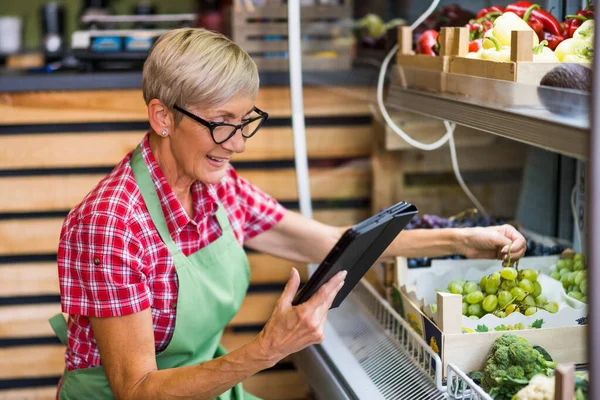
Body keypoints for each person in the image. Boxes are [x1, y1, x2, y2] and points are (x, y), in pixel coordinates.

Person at [51, 28, 526, 400]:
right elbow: (135, 391)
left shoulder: (218, 188)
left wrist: (462, 242)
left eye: (245, 123)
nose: (236, 144)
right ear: (162, 117)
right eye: (221, 125)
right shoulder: (111, 225)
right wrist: (269, 349)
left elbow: (328, 242)